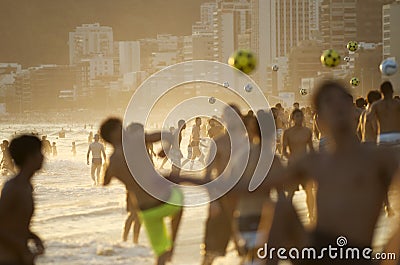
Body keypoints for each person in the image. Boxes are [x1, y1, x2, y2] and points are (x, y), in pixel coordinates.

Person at [267, 81, 399, 265]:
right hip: (318, 251)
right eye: (329, 101)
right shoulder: (314, 160)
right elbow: (264, 184)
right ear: (319, 119)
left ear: (353, 109)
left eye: (342, 99)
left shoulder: (377, 158)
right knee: (282, 206)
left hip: (356, 253)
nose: (337, 104)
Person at [100, 118, 183, 265]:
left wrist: (121, 175)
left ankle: (166, 252)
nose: (124, 129)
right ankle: (173, 245)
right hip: (163, 200)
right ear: (114, 133)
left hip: (146, 210)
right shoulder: (135, 141)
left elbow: (104, 182)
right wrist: (165, 150)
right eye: (121, 127)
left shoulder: (112, 161)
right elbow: (168, 135)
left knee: (160, 253)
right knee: (179, 199)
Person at [0, 135, 45, 265]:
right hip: (8, 258)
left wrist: (33, 237)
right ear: (30, 157)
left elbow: (15, 223)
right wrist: (22, 250)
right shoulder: (13, 187)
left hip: (21, 256)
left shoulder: (27, 186)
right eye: (40, 152)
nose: (43, 157)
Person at [281, 109, 315, 222]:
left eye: (301, 116)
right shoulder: (288, 133)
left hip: (306, 166)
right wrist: (291, 158)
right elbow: (284, 150)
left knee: (309, 191)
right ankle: (286, 216)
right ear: (292, 118)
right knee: (290, 192)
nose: (299, 119)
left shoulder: (307, 131)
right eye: (297, 116)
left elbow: (311, 149)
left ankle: (311, 214)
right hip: (293, 165)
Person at [370, 81, 400, 147]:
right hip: (396, 134)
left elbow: (368, 119)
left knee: (383, 157)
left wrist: (375, 129)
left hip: (382, 135)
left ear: (381, 92)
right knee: (397, 156)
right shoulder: (397, 104)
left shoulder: (376, 105)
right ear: (392, 91)